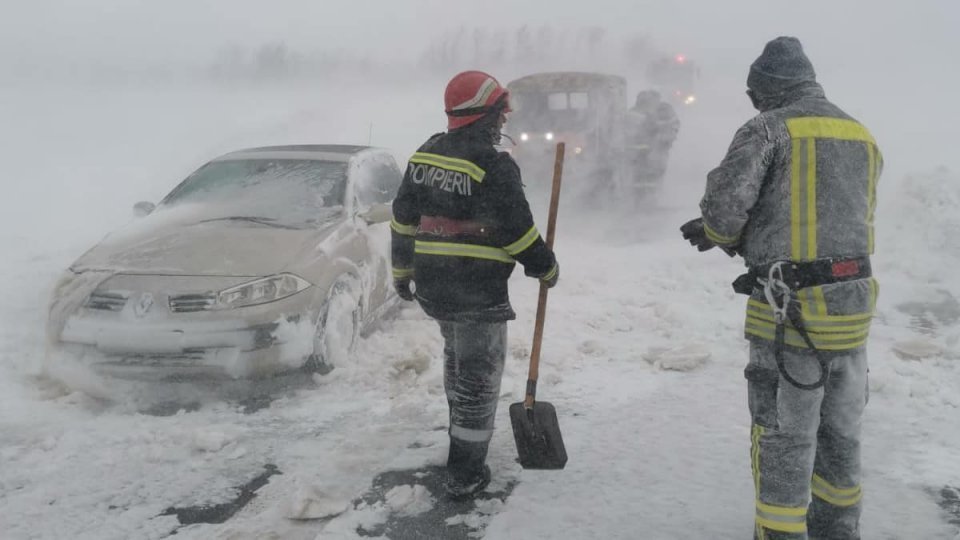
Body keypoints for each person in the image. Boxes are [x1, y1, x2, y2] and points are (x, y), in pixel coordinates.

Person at [680, 37, 882, 539]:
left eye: (755, 93)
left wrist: (716, 234)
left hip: (789, 313)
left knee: (783, 436)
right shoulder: (861, 133)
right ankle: (838, 528)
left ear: (770, 88)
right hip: (853, 311)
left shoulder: (769, 129)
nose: (753, 102)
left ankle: (781, 532)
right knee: (841, 432)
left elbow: (726, 210)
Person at [390, 70, 559, 500]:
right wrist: (545, 267)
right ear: (485, 115)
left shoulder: (426, 153)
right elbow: (517, 232)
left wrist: (401, 272)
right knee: (478, 381)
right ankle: (465, 473)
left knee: (457, 364)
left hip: (434, 288)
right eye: (501, 112)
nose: (505, 120)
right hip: (476, 293)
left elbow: (402, 217)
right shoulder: (494, 164)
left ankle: (458, 441)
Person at [625, 89, 680, 185]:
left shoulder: (665, 111)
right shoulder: (633, 112)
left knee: (656, 170)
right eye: (643, 101)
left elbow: (673, 125)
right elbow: (627, 130)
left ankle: (653, 188)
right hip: (638, 150)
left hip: (658, 148)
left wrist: (665, 138)